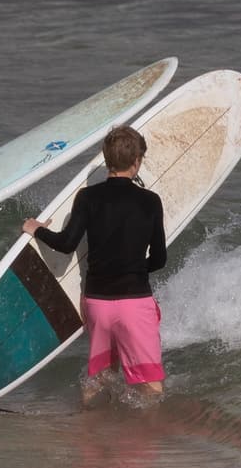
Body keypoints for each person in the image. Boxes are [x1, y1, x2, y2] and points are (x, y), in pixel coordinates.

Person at [22, 125, 170, 403]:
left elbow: (66, 244)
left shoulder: (88, 198)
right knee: (150, 385)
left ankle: (88, 428)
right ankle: (150, 439)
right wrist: (133, 270)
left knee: (100, 377)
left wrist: (36, 229)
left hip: (97, 303)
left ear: (106, 159)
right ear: (137, 161)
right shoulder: (150, 201)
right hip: (134, 303)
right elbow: (160, 259)